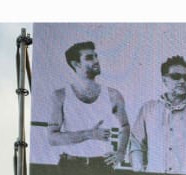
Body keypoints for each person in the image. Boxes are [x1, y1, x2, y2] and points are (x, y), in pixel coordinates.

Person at [129, 54, 186, 175]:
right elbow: (136, 145)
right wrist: (141, 174)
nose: (182, 81)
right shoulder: (148, 109)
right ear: (164, 79)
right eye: (176, 76)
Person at [44, 38, 129, 167]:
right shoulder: (60, 95)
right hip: (70, 166)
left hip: (102, 166)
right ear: (76, 64)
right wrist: (89, 134)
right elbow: (52, 138)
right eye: (89, 58)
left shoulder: (113, 95)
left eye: (96, 56)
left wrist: (121, 152)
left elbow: (125, 126)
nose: (96, 61)